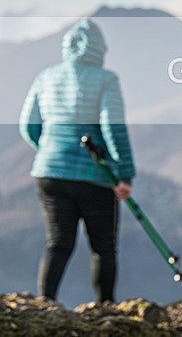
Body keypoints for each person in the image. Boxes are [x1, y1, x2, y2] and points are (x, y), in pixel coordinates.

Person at [19, 18, 136, 304]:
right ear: (99, 49)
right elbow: (113, 128)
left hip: (49, 173)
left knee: (58, 243)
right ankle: (105, 306)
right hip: (94, 174)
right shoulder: (106, 79)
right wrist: (124, 174)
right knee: (103, 247)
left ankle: (45, 303)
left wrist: (48, 148)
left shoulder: (45, 77)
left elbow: (28, 125)